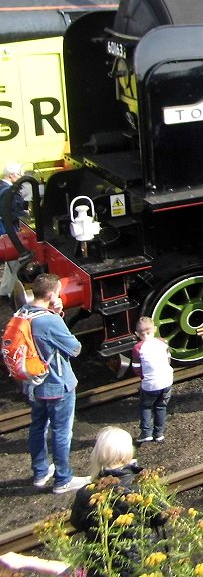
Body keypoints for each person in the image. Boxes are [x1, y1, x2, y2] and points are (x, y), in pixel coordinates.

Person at [23, 273, 89, 495]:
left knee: (37, 427)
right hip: (57, 383)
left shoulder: (22, 313)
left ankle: (40, 472)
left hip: (33, 384)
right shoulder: (48, 320)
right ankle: (63, 479)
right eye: (59, 292)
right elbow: (75, 348)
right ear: (51, 294)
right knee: (61, 431)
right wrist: (58, 317)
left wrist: (56, 312)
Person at [70, 427, 167, 576]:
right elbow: (162, 516)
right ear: (129, 452)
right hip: (145, 563)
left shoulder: (86, 493)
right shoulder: (143, 485)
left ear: (98, 455)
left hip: (104, 567)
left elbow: (76, 522)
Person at [130, 316, 173, 444]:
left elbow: (136, 367)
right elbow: (168, 359)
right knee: (161, 407)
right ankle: (159, 434)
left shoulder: (138, 348)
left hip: (150, 385)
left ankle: (146, 433)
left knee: (146, 407)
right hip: (167, 381)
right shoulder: (163, 342)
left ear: (137, 334)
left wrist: (144, 378)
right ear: (155, 328)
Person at [0, 161, 27, 298]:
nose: (22, 177)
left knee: (10, 264)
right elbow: (12, 213)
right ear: (11, 175)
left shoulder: (2, 188)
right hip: (8, 232)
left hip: (4, 230)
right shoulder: (8, 192)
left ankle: (4, 290)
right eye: (20, 175)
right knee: (15, 262)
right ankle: (12, 293)